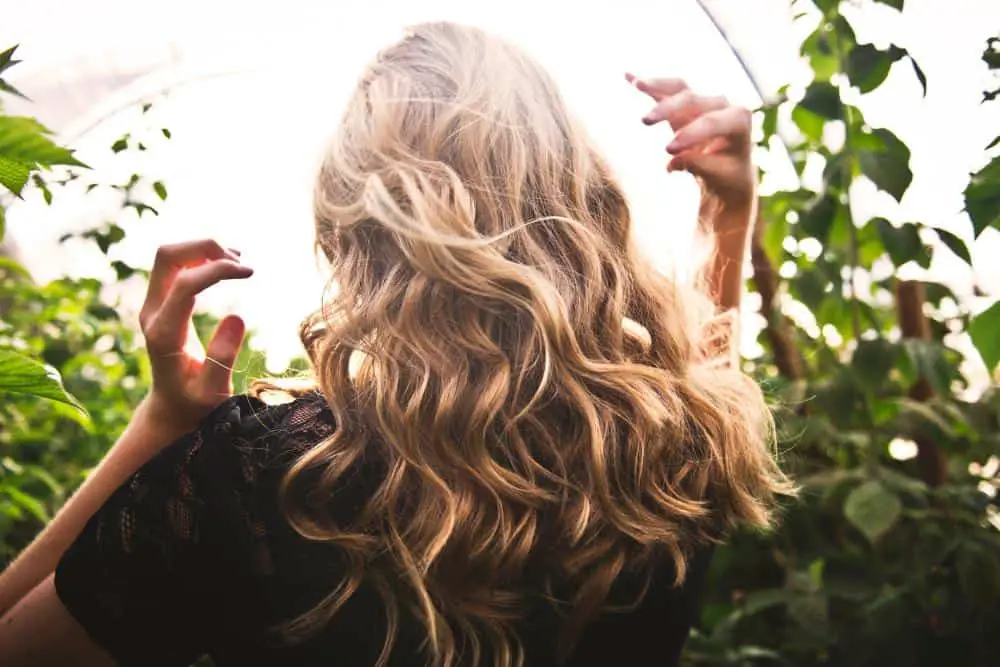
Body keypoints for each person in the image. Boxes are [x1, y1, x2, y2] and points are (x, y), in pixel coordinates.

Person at [0, 21, 793, 667]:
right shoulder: (677, 449)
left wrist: (165, 427)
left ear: (353, 226)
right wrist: (727, 215)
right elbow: (702, 374)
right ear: (575, 191)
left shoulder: (263, 479)